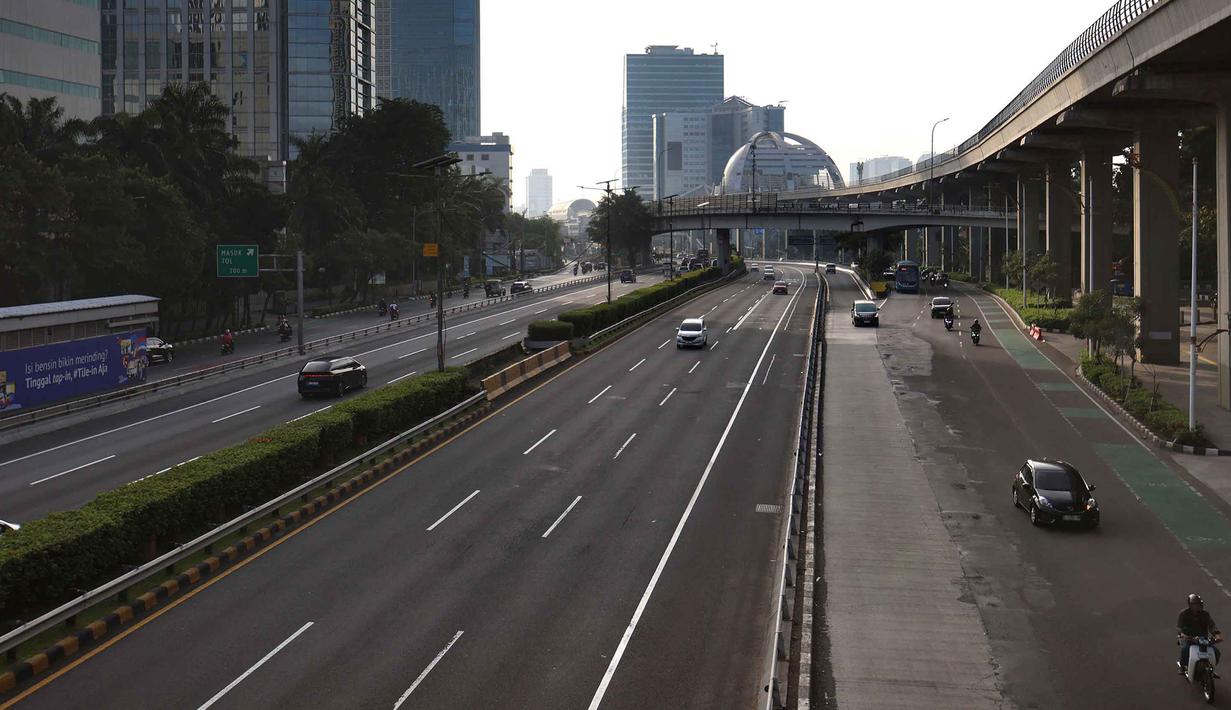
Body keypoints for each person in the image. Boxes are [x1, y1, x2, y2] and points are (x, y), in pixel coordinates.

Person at [1179, 593, 1222, 674]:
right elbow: (1179, 628)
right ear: (1190, 605)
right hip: (1189, 637)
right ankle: (1182, 667)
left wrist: (1217, 635)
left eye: (1199, 604)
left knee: (1216, 652)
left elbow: (1212, 625)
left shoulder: (1205, 614)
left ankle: (1211, 668)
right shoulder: (1184, 614)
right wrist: (1183, 635)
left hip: (1202, 639)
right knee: (1185, 650)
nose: (1197, 606)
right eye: (1195, 605)